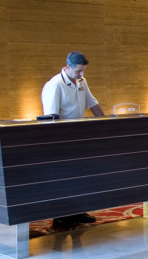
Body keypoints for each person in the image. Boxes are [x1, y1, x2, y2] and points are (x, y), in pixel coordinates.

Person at [41, 51, 105, 229]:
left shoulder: (82, 82)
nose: (82, 75)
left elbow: (93, 104)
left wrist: (105, 125)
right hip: (61, 140)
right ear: (67, 67)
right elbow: (51, 117)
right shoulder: (55, 85)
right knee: (63, 180)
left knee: (80, 177)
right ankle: (60, 216)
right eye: (78, 71)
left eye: (84, 71)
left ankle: (78, 211)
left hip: (79, 137)